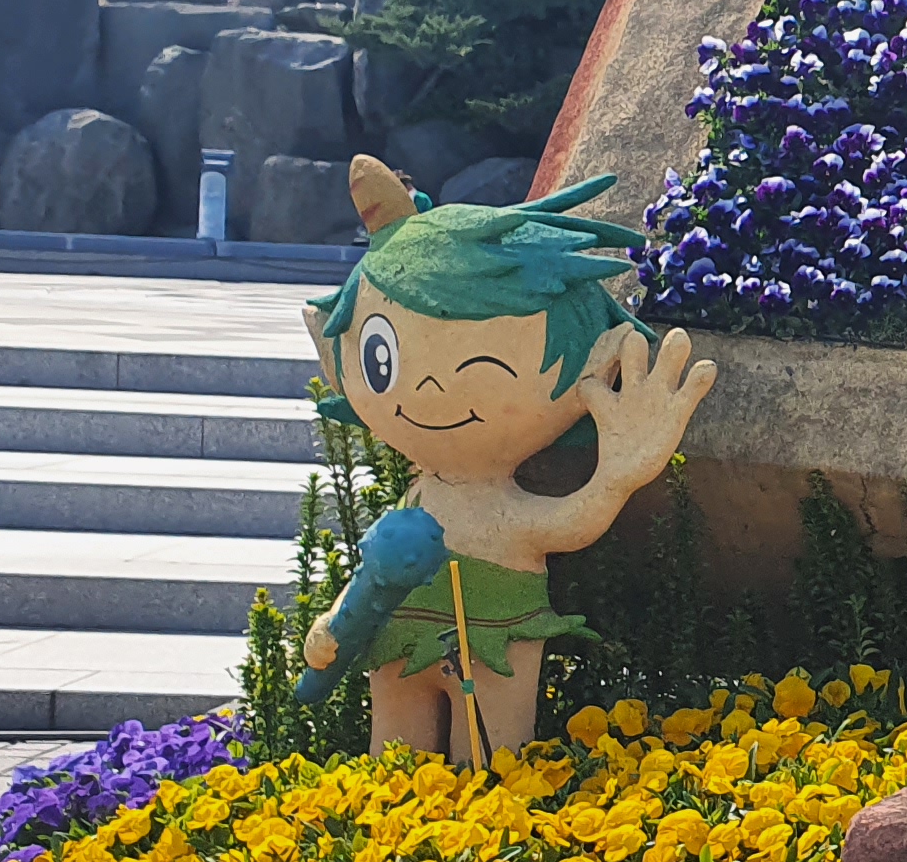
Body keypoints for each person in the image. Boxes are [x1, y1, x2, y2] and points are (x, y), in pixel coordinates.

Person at [297, 157, 717, 766]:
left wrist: (618, 474)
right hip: (398, 637)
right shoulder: (417, 499)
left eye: (483, 368)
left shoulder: (504, 512)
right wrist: (336, 620)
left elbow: (567, 524)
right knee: (393, 762)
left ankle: (484, 815)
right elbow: (372, 579)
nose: (431, 392)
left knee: (488, 762)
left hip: (494, 643)